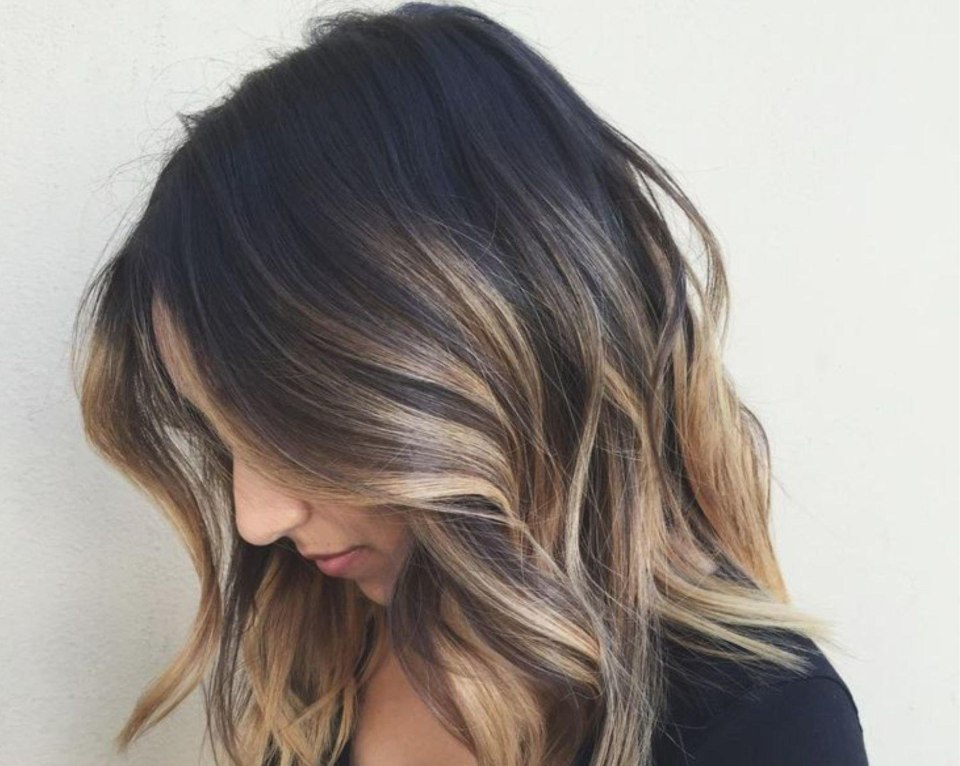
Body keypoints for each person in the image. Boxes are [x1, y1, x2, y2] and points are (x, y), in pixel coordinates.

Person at [70, 3, 869, 765]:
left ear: (486, 357)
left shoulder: (762, 727)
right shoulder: (320, 645)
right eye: (224, 435)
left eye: (289, 427)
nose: (254, 520)